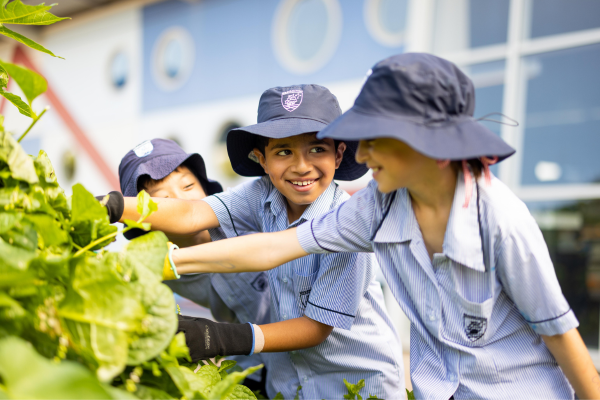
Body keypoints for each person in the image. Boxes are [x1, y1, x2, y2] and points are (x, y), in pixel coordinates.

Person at [159, 54, 600, 399]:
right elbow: (275, 247)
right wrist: (162, 263)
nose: (363, 155)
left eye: (373, 140)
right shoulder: (379, 204)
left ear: (425, 139)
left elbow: (560, 335)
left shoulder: (501, 221)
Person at [105, 85, 405, 400]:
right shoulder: (262, 195)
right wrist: (113, 205)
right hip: (288, 383)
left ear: (339, 154)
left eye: (317, 149)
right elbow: (191, 214)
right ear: (261, 159)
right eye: (283, 151)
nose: (301, 166)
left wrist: (222, 337)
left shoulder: (345, 222)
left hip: (359, 385)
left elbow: (315, 329)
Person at [117, 138, 270, 391]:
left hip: (301, 350)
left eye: (188, 185)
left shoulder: (246, 219)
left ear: (206, 188)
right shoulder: (156, 266)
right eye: (162, 199)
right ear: (143, 223)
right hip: (247, 363)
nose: (180, 201)